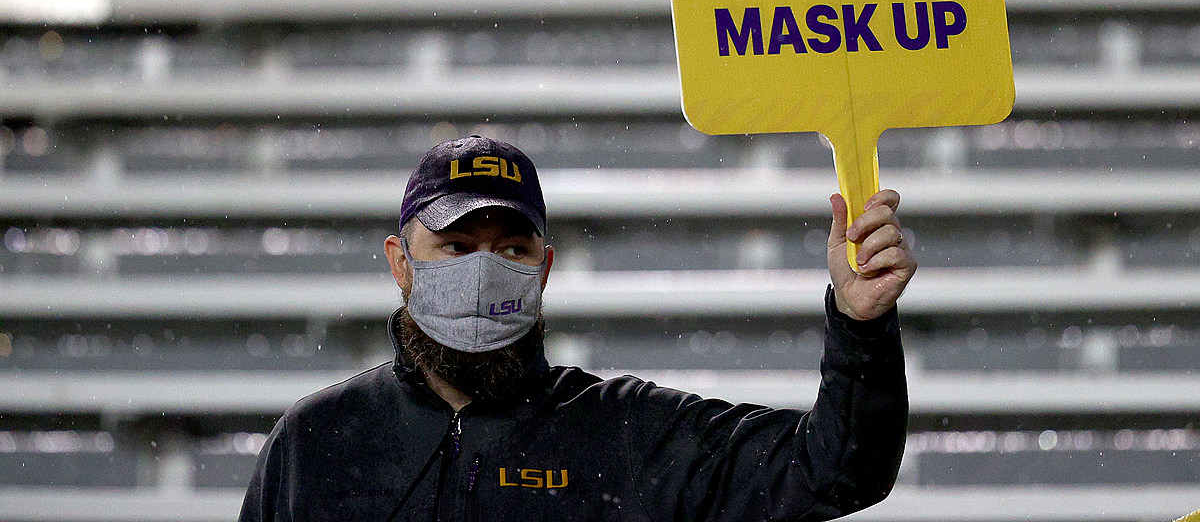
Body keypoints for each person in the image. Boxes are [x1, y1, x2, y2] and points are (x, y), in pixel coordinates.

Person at [239, 134, 917, 521]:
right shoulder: (316, 442)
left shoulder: (631, 435)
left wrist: (862, 323)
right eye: (454, 246)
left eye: (510, 249)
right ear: (400, 262)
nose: (484, 269)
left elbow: (837, 469)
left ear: (544, 267)